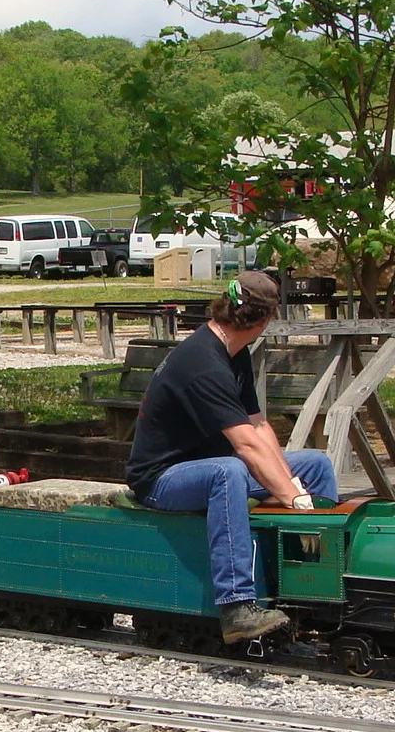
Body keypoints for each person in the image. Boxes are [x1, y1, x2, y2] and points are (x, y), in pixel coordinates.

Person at [127, 270, 339, 645]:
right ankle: (237, 605)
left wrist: (291, 483)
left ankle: (314, 584)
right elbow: (244, 445)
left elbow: (259, 427)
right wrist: (292, 497)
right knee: (228, 474)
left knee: (315, 465)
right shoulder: (202, 361)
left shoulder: (234, 352)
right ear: (264, 320)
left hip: (211, 464)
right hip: (162, 478)